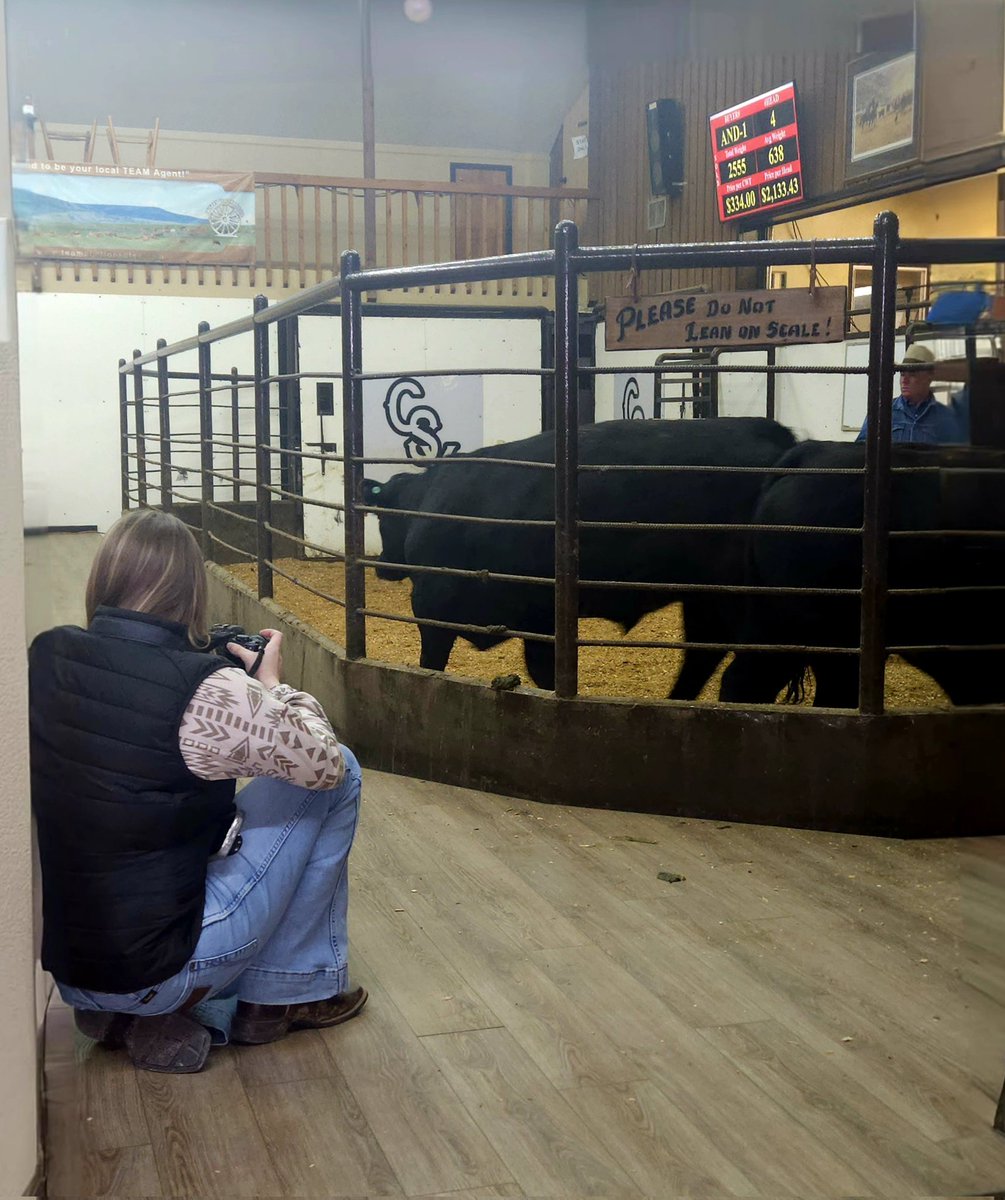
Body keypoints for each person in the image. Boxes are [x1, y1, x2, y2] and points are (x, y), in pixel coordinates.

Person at [29, 509, 366, 1073]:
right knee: (345, 770)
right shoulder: (213, 693)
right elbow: (322, 764)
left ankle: (126, 1013)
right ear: (191, 592)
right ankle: (285, 994)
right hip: (158, 970)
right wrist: (273, 686)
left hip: (73, 973)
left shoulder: (48, 655)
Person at [856, 342, 964, 444]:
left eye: (912, 374)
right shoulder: (881, 411)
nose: (904, 380)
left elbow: (955, 458)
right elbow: (862, 450)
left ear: (929, 377)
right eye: (902, 374)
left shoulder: (945, 417)